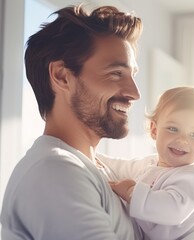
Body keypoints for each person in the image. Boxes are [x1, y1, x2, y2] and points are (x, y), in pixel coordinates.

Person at [1, 4, 144, 240]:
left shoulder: (97, 169)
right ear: (62, 76)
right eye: (116, 73)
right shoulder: (55, 171)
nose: (135, 93)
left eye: (132, 75)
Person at [99, 86, 194, 240]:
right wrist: (94, 155)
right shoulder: (150, 163)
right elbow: (122, 167)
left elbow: (173, 210)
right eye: (173, 128)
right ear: (154, 130)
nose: (183, 140)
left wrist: (131, 192)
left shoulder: (193, 178)